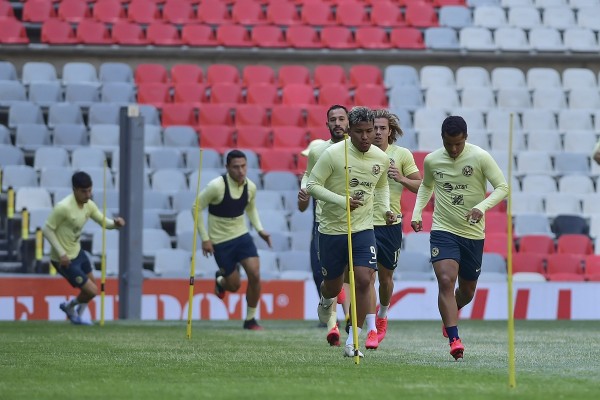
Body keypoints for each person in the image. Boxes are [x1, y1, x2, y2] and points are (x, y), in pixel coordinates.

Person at [411, 116, 508, 360]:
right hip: (443, 230)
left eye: (458, 144)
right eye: (448, 144)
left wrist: (482, 207)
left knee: (466, 291)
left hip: (473, 233)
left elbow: (503, 187)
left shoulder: (480, 157)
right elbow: (426, 186)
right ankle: (454, 339)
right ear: (442, 139)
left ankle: (451, 313)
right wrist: (416, 212)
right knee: (445, 279)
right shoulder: (433, 160)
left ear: (466, 138)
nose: (454, 150)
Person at [307, 106, 395, 357]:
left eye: (369, 131)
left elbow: (381, 187)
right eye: (359, 132)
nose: (366, 137)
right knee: (333, 287)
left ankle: (353, 339)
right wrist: (341, 201)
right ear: (349, 131)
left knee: (365, 278)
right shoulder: (334, 154)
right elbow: (312, 185)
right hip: (332, 229)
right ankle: (326, 302)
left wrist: (386, 209)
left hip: (363, 227)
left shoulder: (380, 157)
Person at [193, 149, 271, 331]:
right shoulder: (216, 186)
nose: (241, 171)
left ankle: (250, 320)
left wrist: (260, 230)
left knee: (255, 275)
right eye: (236, 167)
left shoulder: (250, 187)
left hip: (242, 236)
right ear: (227, 167)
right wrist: (205, 239)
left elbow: (251, 209)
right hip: (221, 242)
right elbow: (196, 207)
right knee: (234, 286)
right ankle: (220, 281)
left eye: (243, 166)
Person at [43, 171, 125, 325]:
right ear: (75, 189)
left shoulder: (89, 205)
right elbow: (47, 230)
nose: (88, 195)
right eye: (84, 191)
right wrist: (61, 254)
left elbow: (104, 222)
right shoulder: (63, 207)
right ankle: (70, 308)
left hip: (78, 253)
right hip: (63, 259)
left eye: (90, 190)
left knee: (93, 289)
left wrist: (116, 224)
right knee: (92, 290)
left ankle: (75, 316)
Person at [298, 105, 351, 336]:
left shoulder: (358, 150)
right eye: (333, 119)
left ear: (349, 122)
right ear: (327, 124)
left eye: (342, 119)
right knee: (329, 278)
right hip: (325, 224)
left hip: (355, 222)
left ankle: (349, 320)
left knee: (355, 275)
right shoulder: (318, 152)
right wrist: (303, 194)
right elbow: (307, 184)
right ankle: (332, 323)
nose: (338, 123)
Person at [371, 109, 422, 344]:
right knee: (363, 277)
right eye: (374, 128)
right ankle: (366, 324)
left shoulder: (401, 154)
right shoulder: (359, 154)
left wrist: (401, 178)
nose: (378, 132)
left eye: (382, 128)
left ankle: (382, 314)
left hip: (390, 224)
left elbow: (421, 185)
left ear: (390, 131)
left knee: (385, 278)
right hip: (363, 223)